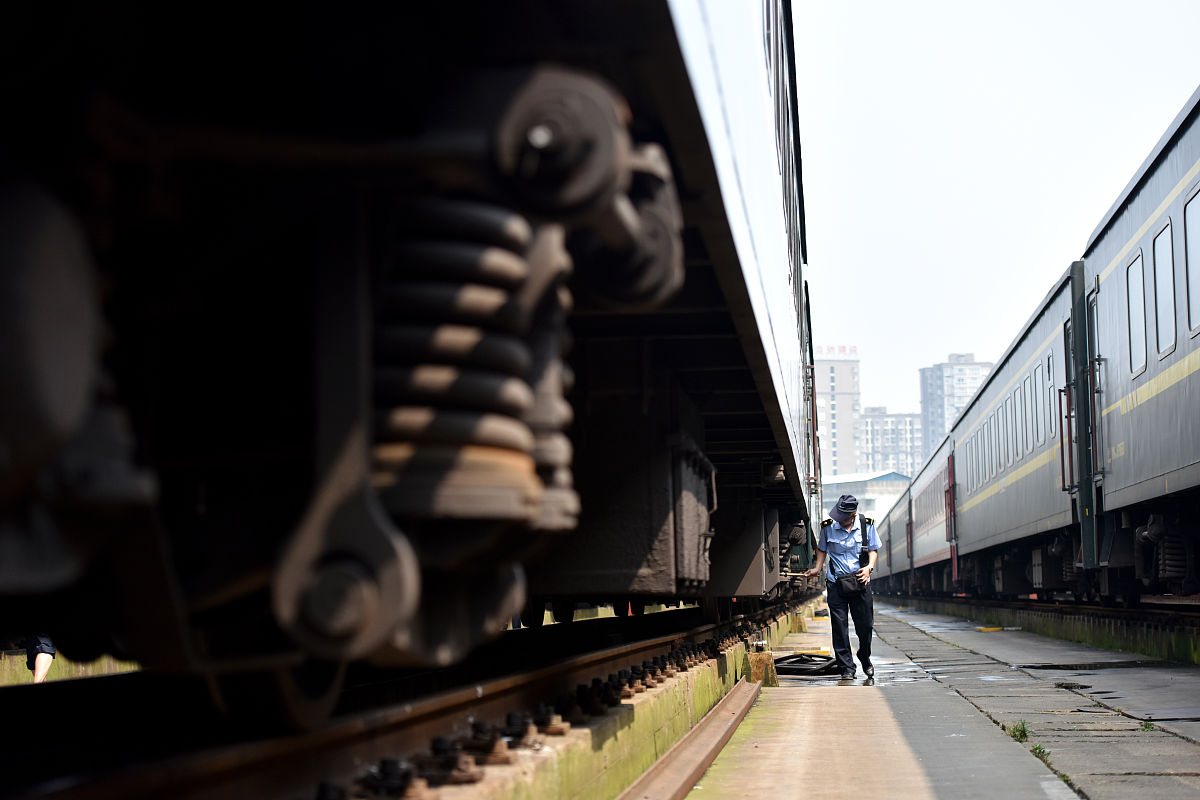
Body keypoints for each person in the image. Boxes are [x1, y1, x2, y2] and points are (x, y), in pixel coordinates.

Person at [802, 494, 880, 681]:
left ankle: (864, 656)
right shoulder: (828, 528)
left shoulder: (866, 525)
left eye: (843, 517)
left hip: (860, 584)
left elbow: (873, 550)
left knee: (866, 626)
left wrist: (869, 568)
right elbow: (822, 548)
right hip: (836, 585)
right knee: (839, 627)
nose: (839, 520)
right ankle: (847, 667)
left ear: (852, 515)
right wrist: (817, 568)